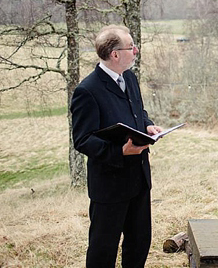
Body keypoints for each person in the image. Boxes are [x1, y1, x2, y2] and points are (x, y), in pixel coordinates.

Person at [71, 25, 162, 268]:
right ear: (115, 54)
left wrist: (148, 125)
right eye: (131, 46)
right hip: (109, 185)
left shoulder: (129, 77)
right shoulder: (87, 90)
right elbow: (82, 139)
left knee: (139, 242)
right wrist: (118, 152)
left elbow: (137, 112)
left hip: (139, 179)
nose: (136, 50)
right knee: (103, 248)